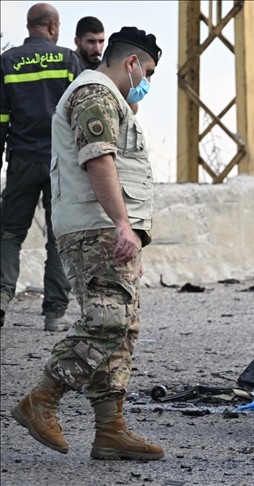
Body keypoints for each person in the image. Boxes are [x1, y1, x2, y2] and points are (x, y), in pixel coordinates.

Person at [11, 26, 163, 461]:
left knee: (123, 328)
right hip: (95, 227)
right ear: (131, 63)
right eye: (148, 72)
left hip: (108, 228)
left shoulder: (114, 99)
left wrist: (133, 233)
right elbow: (99, 159)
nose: (146, 82)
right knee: (107, 320)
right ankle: (43, 398)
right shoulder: (94, 93)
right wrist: (121, 225)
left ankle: (110, 429)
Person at [0, 3, 80, 331]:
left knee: (9, 233)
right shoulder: (68, 60)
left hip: (22, 159)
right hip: (59, 163)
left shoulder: (7, 61)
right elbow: (79, 113)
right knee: (59, 238)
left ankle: (1, 298)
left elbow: (1, 118)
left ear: (28, 25)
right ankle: (55, 314)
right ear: (53, 26)